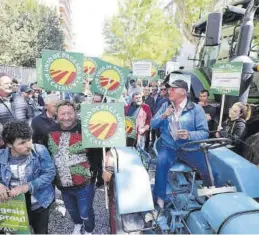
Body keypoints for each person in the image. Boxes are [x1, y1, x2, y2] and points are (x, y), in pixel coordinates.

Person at [43, 100, 112, 234]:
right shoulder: (49, 132)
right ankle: (78, 224)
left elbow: (108, 149)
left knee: (85, 211)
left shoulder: (89, 130)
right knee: (72, 210)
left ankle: (88, 229)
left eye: (70, 113)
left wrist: (108, 169)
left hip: (85, 182)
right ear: (57, 114)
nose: (67, 117)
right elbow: (45, 155)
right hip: (62, 183)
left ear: (76, 113)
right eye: (63, 113)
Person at [151, 79, 209, 214]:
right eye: (168, 89)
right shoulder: (165, 106)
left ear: (183, 92)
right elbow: (153, 124)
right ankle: (159, 198)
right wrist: (164, 116)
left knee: (208, 168)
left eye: (173, 89)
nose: (169, 91)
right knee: (161, 163)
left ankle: (210, 195)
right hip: (169, 147)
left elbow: (204, 133)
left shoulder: (196, 109)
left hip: (189, 148)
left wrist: (189, 134)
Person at [0, 121, 56, 234]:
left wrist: (27, 186)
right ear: (10, 144)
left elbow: (50, 173)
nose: (29, 145)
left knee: (41, 231)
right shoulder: (1, 156)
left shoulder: (40, 150)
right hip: (14, 207)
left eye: (30, 139)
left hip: (39, 203)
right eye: (22, 143)